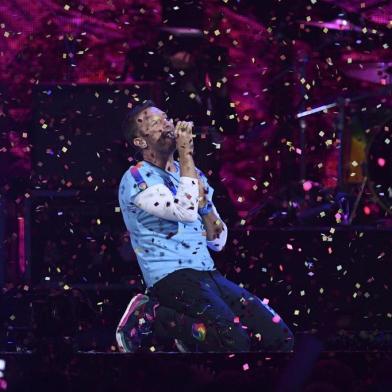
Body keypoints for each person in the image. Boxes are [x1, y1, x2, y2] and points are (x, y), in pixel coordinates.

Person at [116, 100, 294, 352]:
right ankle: (155, 315)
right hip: (169, 277)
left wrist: (206, 207)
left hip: (207, 273)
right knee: (234, 340)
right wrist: (186, 153)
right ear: (141, 142)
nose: (168, 124)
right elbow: (184, 212)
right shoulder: (137, 177)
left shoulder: (190, 173)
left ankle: (192, 332)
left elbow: (218, 242)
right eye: (156, 123)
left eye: (167, 118)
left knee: (279, 336)